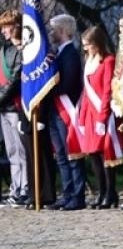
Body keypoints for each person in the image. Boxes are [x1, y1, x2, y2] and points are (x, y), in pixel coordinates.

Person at [73, 25, 122, 209]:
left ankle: (111, 193)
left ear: (97, 43)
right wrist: (83, 117)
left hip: (102, 114)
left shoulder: (108, 61)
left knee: (106, 155)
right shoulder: (89, 61)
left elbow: (107, 91)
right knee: (93, 155)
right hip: (89, 115)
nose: (86, 48)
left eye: (88, 44)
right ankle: (102, 192)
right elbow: (86, 93)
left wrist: (102, 117)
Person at [43, 14, 86, 210]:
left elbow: (68, 83)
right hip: (55, 108)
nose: (50, 33)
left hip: (66, 108)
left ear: (62, 30)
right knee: (60, 154)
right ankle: (67, 193)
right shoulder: (57, 53)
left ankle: (77, 196)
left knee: (72, 154)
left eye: (53, 29)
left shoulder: (70, 54)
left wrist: (49, 89)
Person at [0, 12, 32, 206]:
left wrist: (1, 99)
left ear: (16, 26)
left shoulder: (24, 50)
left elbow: (15, 79)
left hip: (15, 105)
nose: (3, 31)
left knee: (21, 151)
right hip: (4, 107)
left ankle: (25, 188)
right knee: (11, 151)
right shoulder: (6, 50)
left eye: (6, 27)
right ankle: (16, 187)